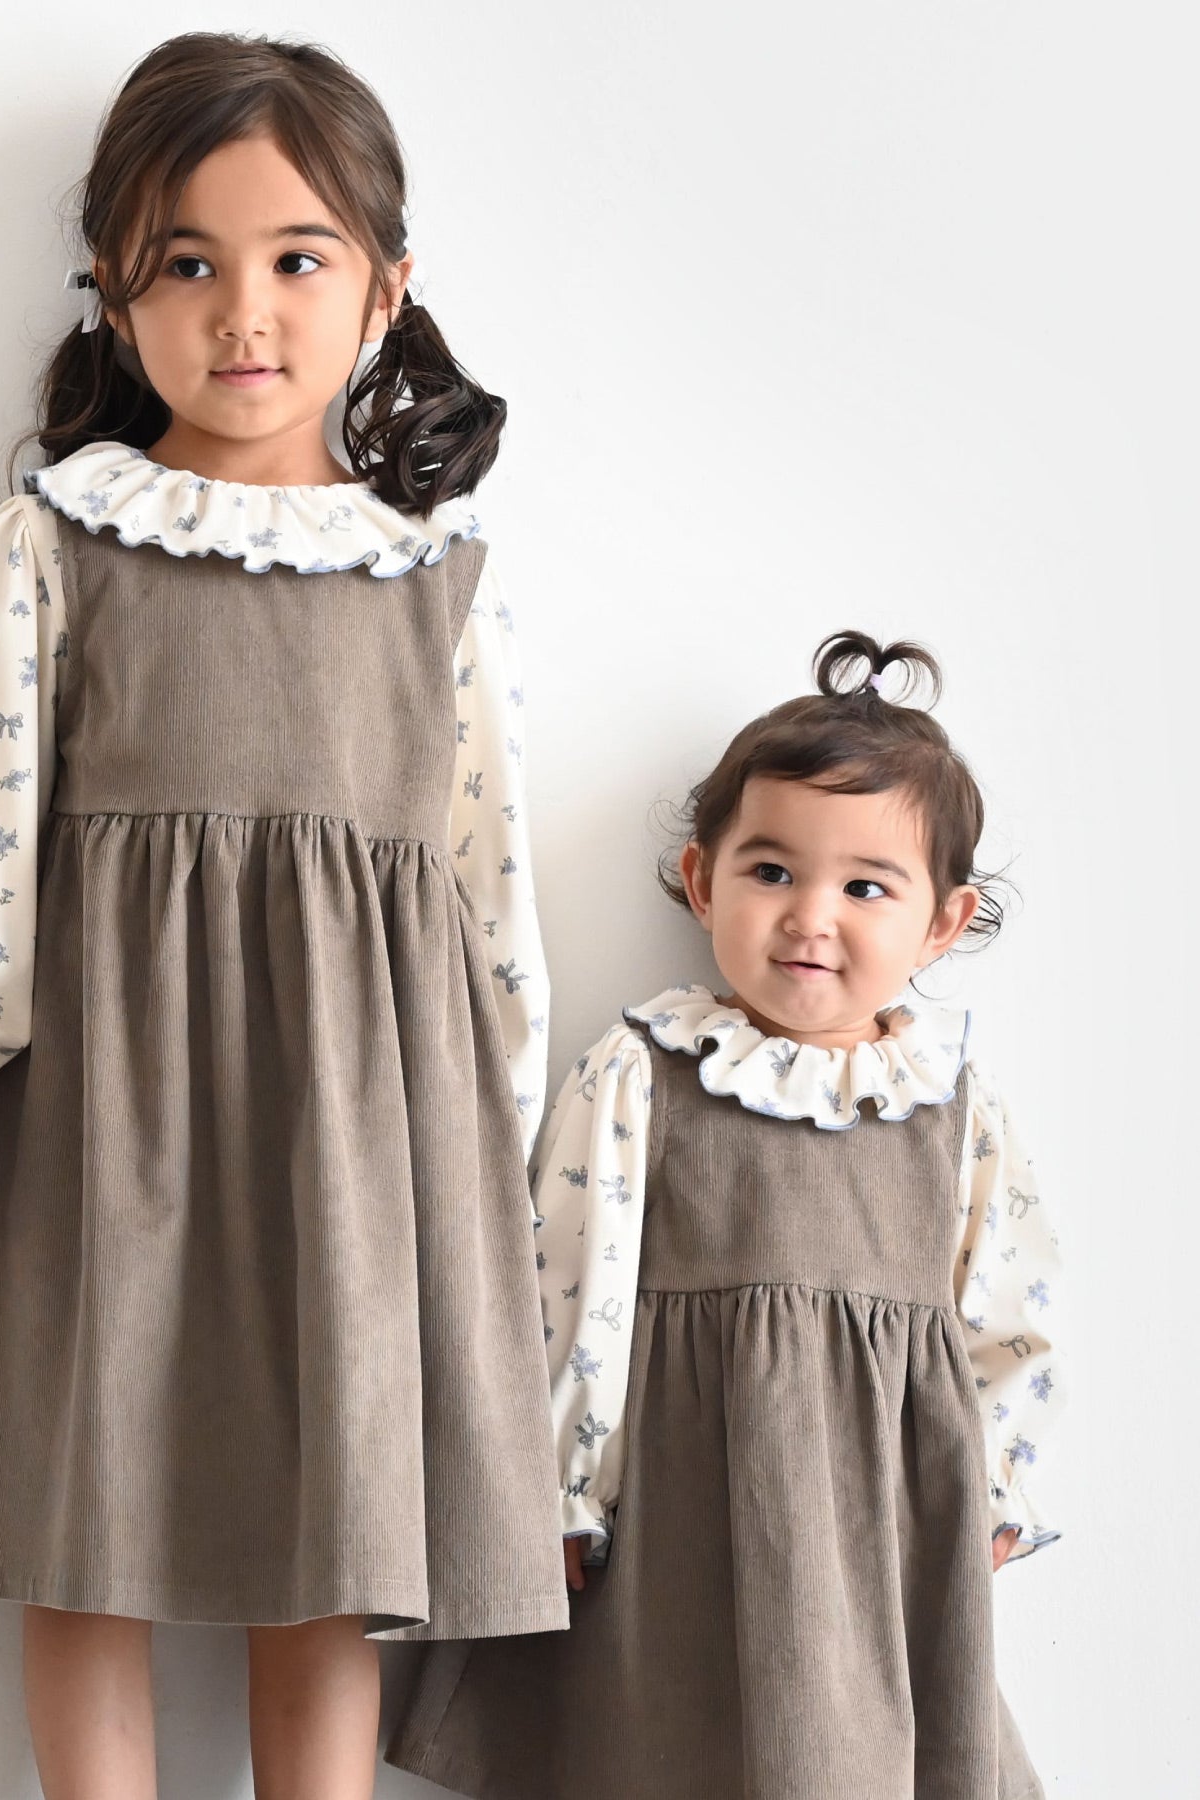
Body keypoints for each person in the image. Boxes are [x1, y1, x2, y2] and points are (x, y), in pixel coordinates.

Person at [0, 32, 566, 1800]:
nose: (244, 312)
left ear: (387, 286)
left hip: (360, 1136)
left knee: (334, 1536)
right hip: (111, 1111)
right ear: (114, 289)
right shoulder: (51, 546)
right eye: (186, 263)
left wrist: (496, 1151)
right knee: (83, 1517)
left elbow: (490, 882)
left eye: (298, 258)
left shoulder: (438, 580)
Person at [389, 631, 1063, 1799]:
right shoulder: (644, 1071)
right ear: (704, 883)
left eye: (865, 887)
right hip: (679, 1507)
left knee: (848, 1744)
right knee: (660, 1739)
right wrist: (560, 1489)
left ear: (942, 924)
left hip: (878, 1525)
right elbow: (565, 1288)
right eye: (772, 872)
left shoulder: (955, 1105)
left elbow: (1003, 1314)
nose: (811, 916)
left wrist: (996, 1487)